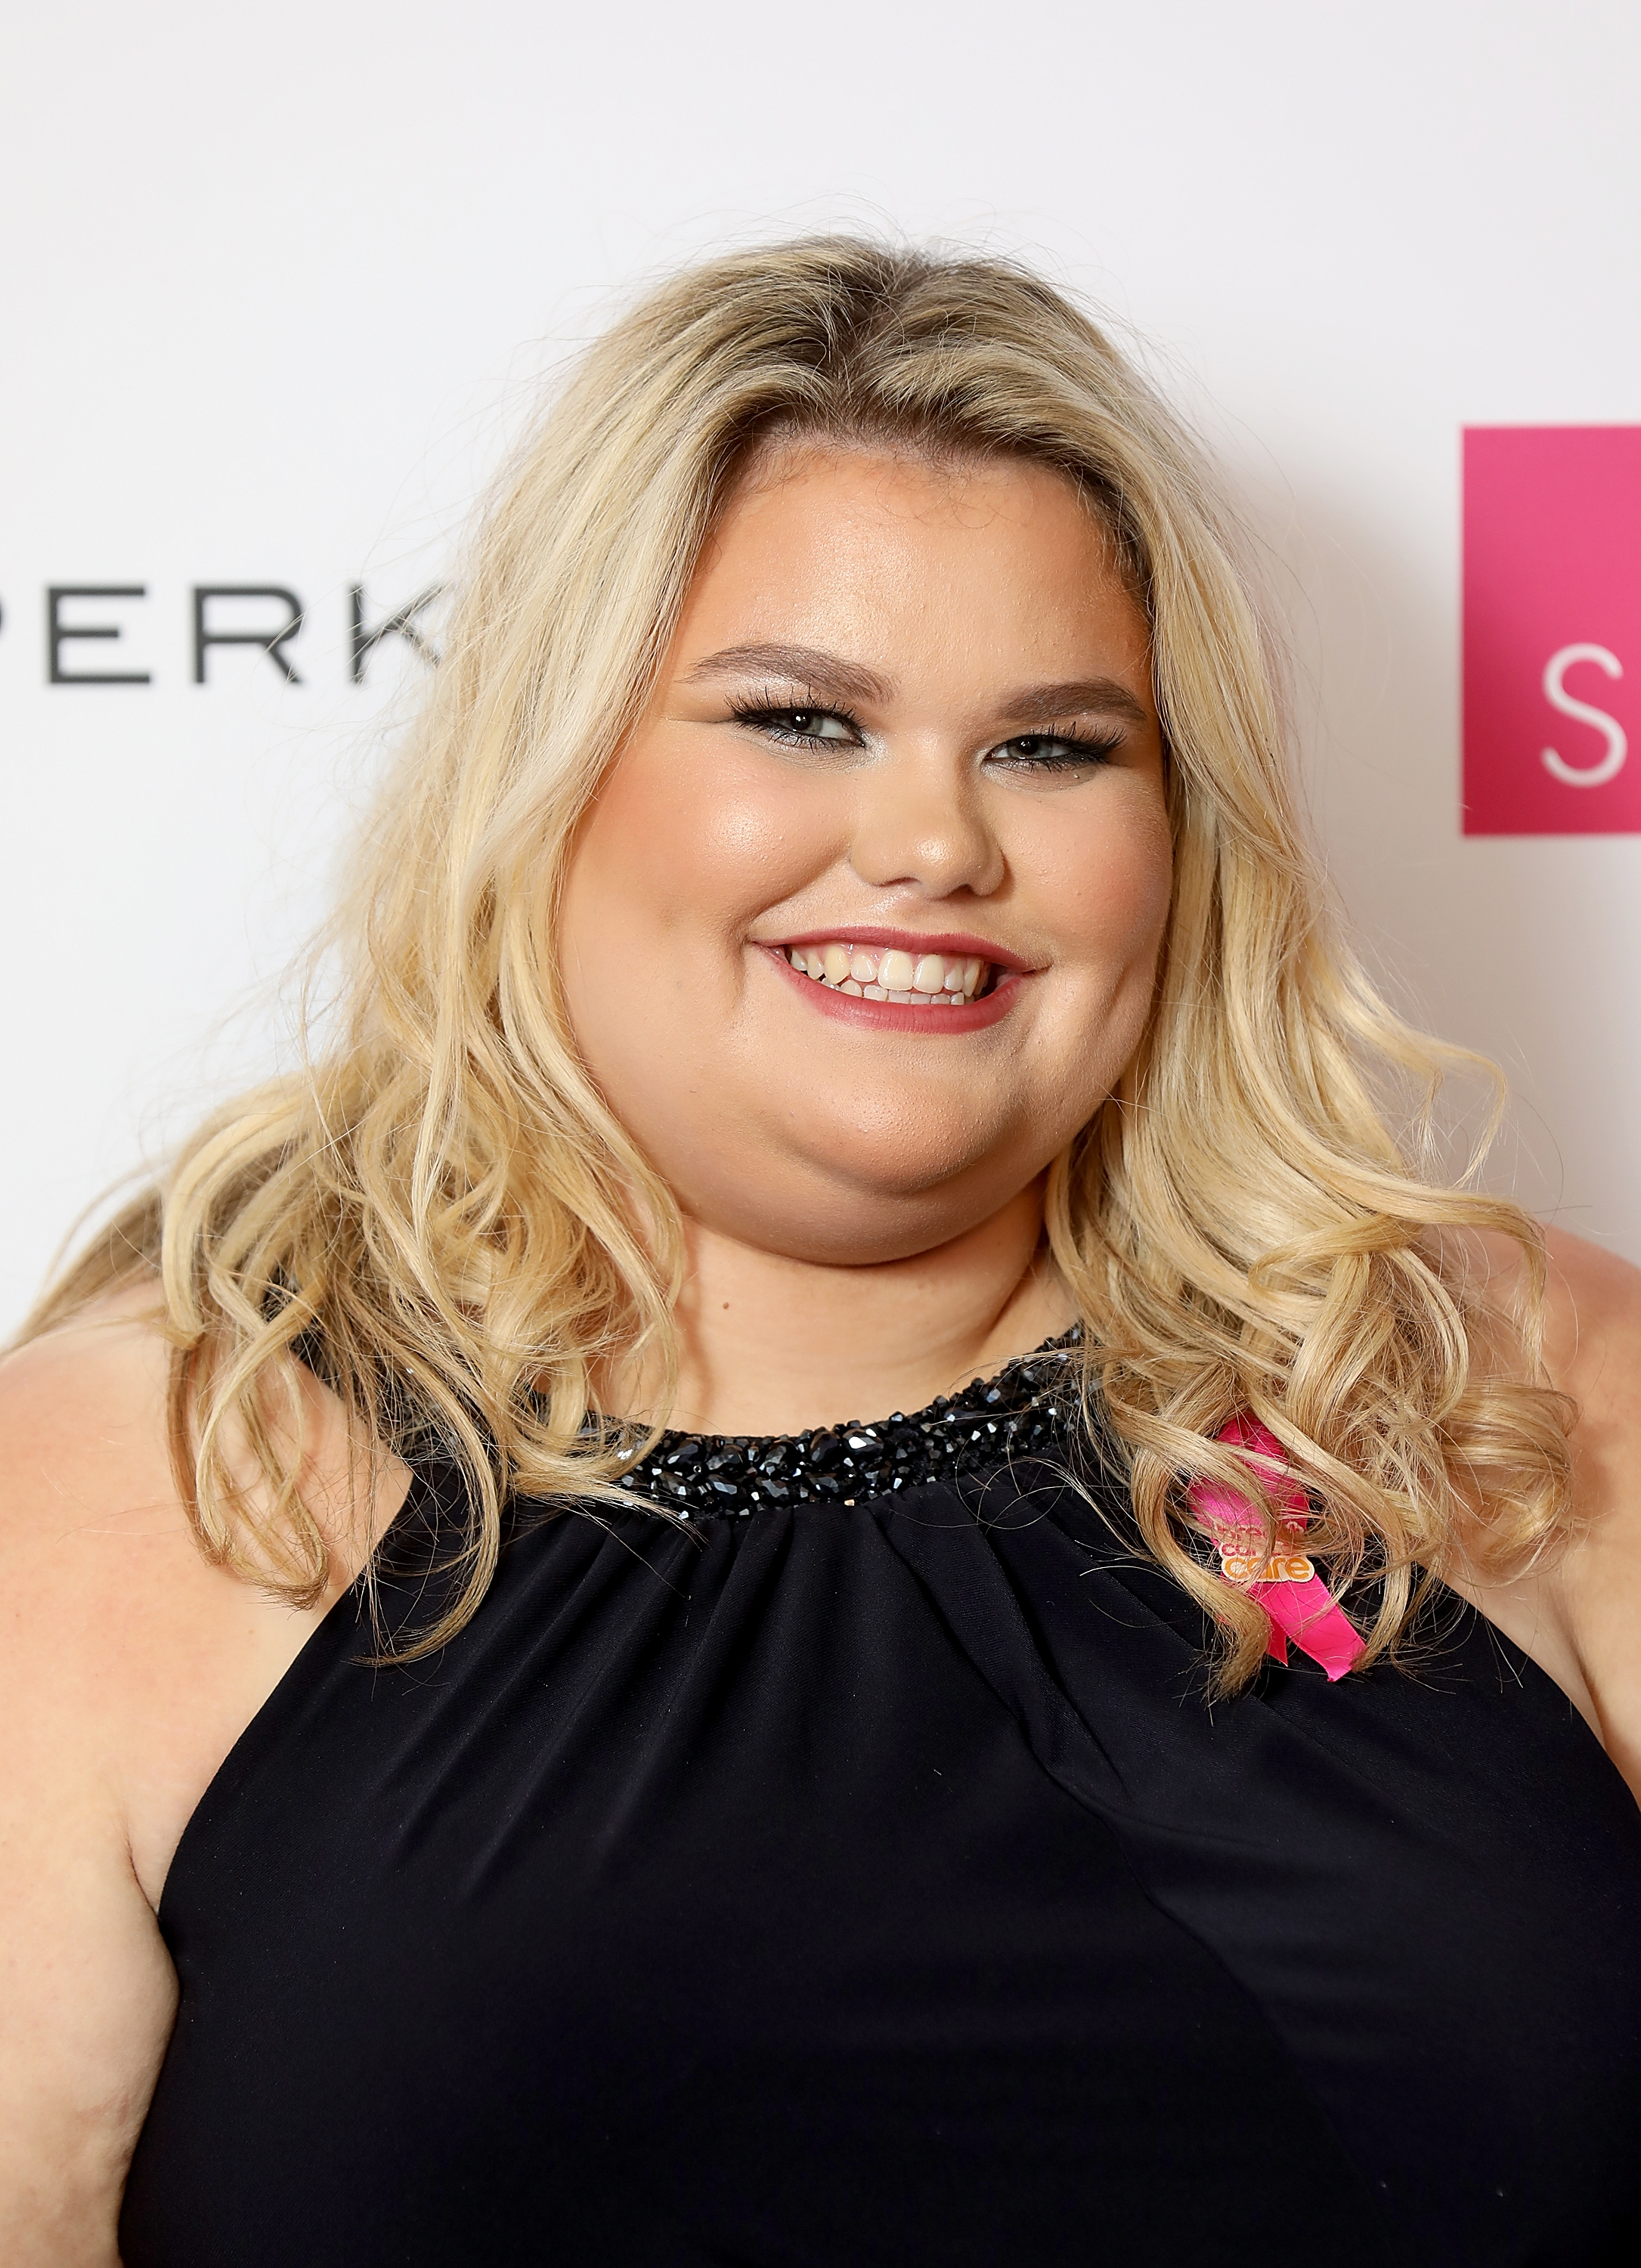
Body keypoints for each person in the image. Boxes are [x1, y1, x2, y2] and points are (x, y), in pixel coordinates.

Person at [2, 237, 1637, 2268]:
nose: (936, 844)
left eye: (1052, 746)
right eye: (797, 719)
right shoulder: (127, 1492)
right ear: (549, 772)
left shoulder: (1517, 1392)